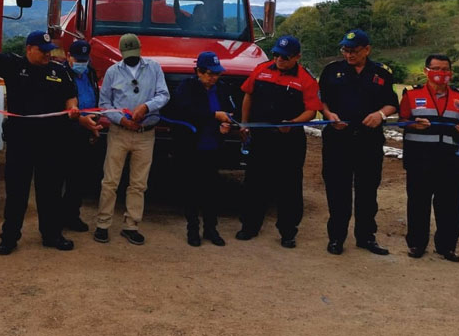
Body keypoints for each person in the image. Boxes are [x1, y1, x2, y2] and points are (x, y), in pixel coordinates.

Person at [0, 1, 93, 255]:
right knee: (17, 193)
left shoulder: (59, 71)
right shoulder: (14, 65)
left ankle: (51, 235)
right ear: (29, 49)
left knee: (50, 192)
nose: (47, 54)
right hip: (21, 142)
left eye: (49, 50)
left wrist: (73, 109)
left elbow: (70, 97)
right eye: (42, 51)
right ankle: (9, 237)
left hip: (52, 143)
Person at [236, 35, 321, 248]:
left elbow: (312, 111)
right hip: (261, 138)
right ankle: (249, 226)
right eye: (276, 54)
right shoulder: (261, 70)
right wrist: (244, 124)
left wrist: (293, 123)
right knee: (255, 182)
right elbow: (248, 95)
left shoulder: (306, 80)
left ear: (297, 57)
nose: (279, 59)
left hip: (289, 140)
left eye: (284, 56)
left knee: (289, 187)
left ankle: (288, 231)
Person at [319, 29, 398, 256]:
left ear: (367, 50)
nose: (349, 55)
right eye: (345, 50)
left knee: (367, 191)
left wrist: (380, 115)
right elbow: (321, 101)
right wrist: (328, 115)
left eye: (353, 51)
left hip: (368, 141)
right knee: (337, 191)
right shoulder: (332, 71)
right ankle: (336, 238)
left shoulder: (381, 73)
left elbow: (392, 103)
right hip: (337, 140)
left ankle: (366, 237)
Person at [93, 33, 170, 246]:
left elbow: (164, 95)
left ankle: (131, 225)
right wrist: (121, 119)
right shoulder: (112, 72)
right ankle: (103, 224)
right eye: (127, 56)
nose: (131, 59)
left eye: (134, 55)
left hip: (146, 134)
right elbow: (105, 103)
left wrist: (146, 107)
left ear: (140, 49)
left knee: (138, 183)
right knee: (110, 181)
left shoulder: (154, 68)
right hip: (120, 133)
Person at [399, 54, 459, 262]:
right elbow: (401, 120)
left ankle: (447, 246)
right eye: (436, 69)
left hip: (450, 160)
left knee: (450, 205)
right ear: (426, 71)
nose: (441, 74)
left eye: (445, 69)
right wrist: (413, 124)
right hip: (419, 158)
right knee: (418, 202)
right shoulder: (411, 96)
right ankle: (417, 244)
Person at [170, 52, 233, 247]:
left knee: (212, 190)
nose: (213, 78)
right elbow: (184, 110)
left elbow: (230, 109)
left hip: (213, 146)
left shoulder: (221, 89)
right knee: (191, 189)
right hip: (191, 147)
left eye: (216, 74)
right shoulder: (187, 87)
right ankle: (193, 229)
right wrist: (214, 116)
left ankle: (211, 228)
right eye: (209, 74)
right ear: (198, 71)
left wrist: (227, 122)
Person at [60, 40, 104, 232]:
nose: (81, 63)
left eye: (84, 60)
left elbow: (95, 98)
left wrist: (94, 125)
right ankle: (56, 217)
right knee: (60, 177)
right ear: (69, 57)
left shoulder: (90, 73)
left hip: (87, 129)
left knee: (79, 178)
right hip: (66, 131)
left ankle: (72, 215)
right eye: (78, 59)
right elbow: (59, 105)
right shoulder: (60, 74)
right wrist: (80, 121)